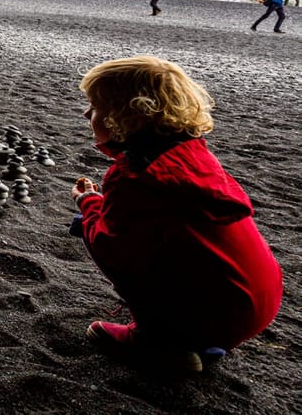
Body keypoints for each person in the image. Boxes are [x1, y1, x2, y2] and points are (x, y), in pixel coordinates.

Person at [71, 56, 282, 373]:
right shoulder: (190, 154)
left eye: (96, 106)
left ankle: (159, 343)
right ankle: (198, 336)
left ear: (127, 116)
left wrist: (89, 203)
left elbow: (112, 248)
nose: (87, 113)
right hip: (258, 301)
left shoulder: (135, 175)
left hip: (217, 312)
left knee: (112, 244)